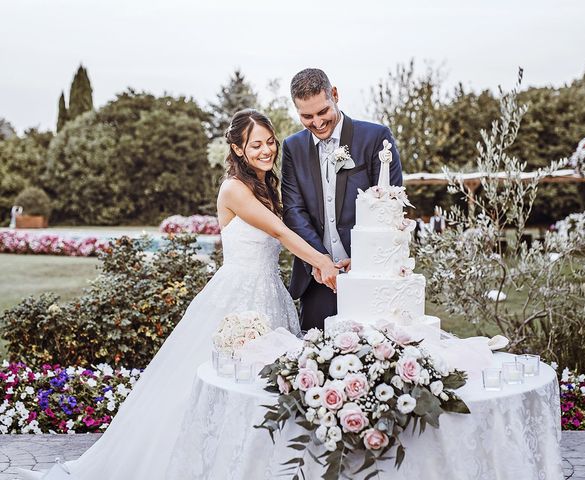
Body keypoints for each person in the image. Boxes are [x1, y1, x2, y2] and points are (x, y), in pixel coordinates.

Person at [18, 109, 340, 480]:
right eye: (256, 144)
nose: (267, 150)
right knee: (206, 387)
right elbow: (283, 234)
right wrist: (323, 262)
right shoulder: (234, 189)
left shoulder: (268, 185)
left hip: (272, 294)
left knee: (259, 390)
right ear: (236, 148)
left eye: (270, 142)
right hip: (237, 298)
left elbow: (293, 226)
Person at [281, 68, 403, 331]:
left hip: (370, 274)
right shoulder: (292, 148)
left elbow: (390, 206)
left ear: (334, 94)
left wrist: (360, 259)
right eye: (306, 116)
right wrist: (320, 261)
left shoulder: (375, 138)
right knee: (314, 362)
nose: (317, 122)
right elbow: (293, 210)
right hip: (317, 280)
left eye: (323, 111)